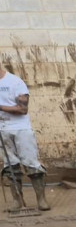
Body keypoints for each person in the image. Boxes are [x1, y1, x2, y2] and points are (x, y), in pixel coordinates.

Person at [0, 66, 49, 212]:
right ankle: (17, 201)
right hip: (2, 130)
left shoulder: (15, 82)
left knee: (31, 164)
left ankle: (41, 200)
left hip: (21, 129)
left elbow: (23, 109)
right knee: (10, 167)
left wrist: (1, 108)